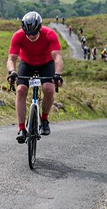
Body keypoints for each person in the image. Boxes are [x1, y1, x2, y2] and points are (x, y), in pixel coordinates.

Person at [6, 11, 64, 143]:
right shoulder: (18, 36)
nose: (31, 36)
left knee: (49, 89)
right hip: (27, 63)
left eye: (34, 33)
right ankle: (21, 128)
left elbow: (57, 57)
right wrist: (12, 72)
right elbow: (11, 58)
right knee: (20, 90)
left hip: (46, 64)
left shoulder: (49, 34)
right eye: (28, 33)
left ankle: (44, 119)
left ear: (40, 28)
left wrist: (58, 74)